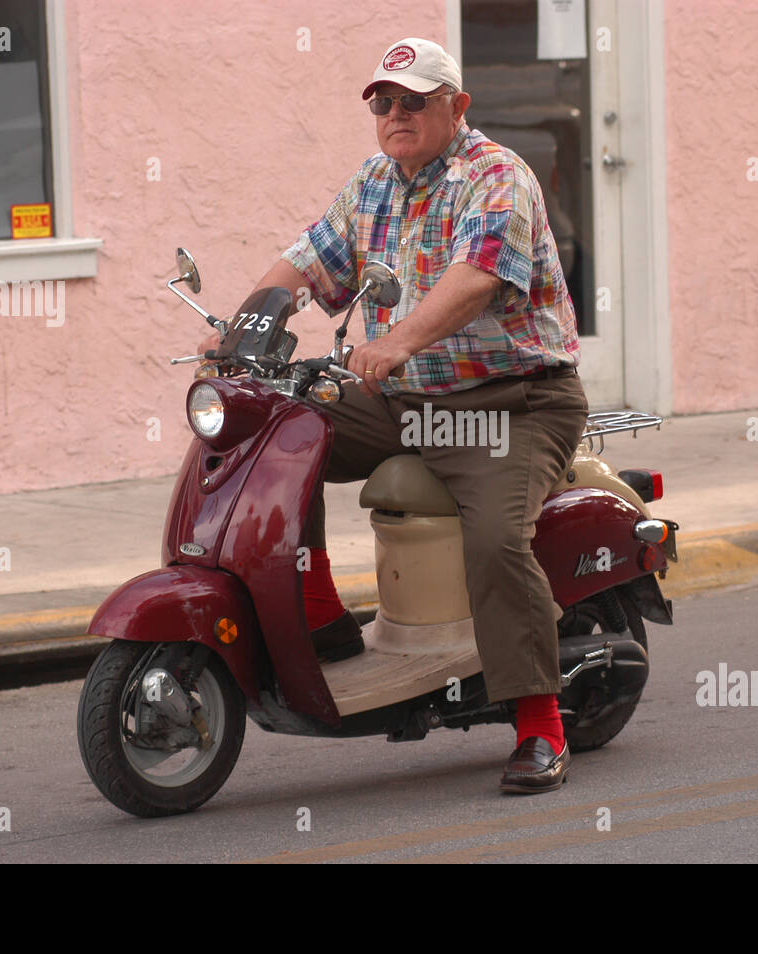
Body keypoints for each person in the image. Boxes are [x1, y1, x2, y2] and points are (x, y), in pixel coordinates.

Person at [248, 37, 588, 794]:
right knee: (282, 434)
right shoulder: (374, 181)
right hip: (409, 398)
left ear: (456, 107)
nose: (395, 115)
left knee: (496, 540)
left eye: (413, 101)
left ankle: (539, 724)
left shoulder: (495, 176)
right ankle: (320, 611)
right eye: (383, 102)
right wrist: (242, 325)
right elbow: (307, 260)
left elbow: (475, 279)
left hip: (511, 401)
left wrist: (396, 340)